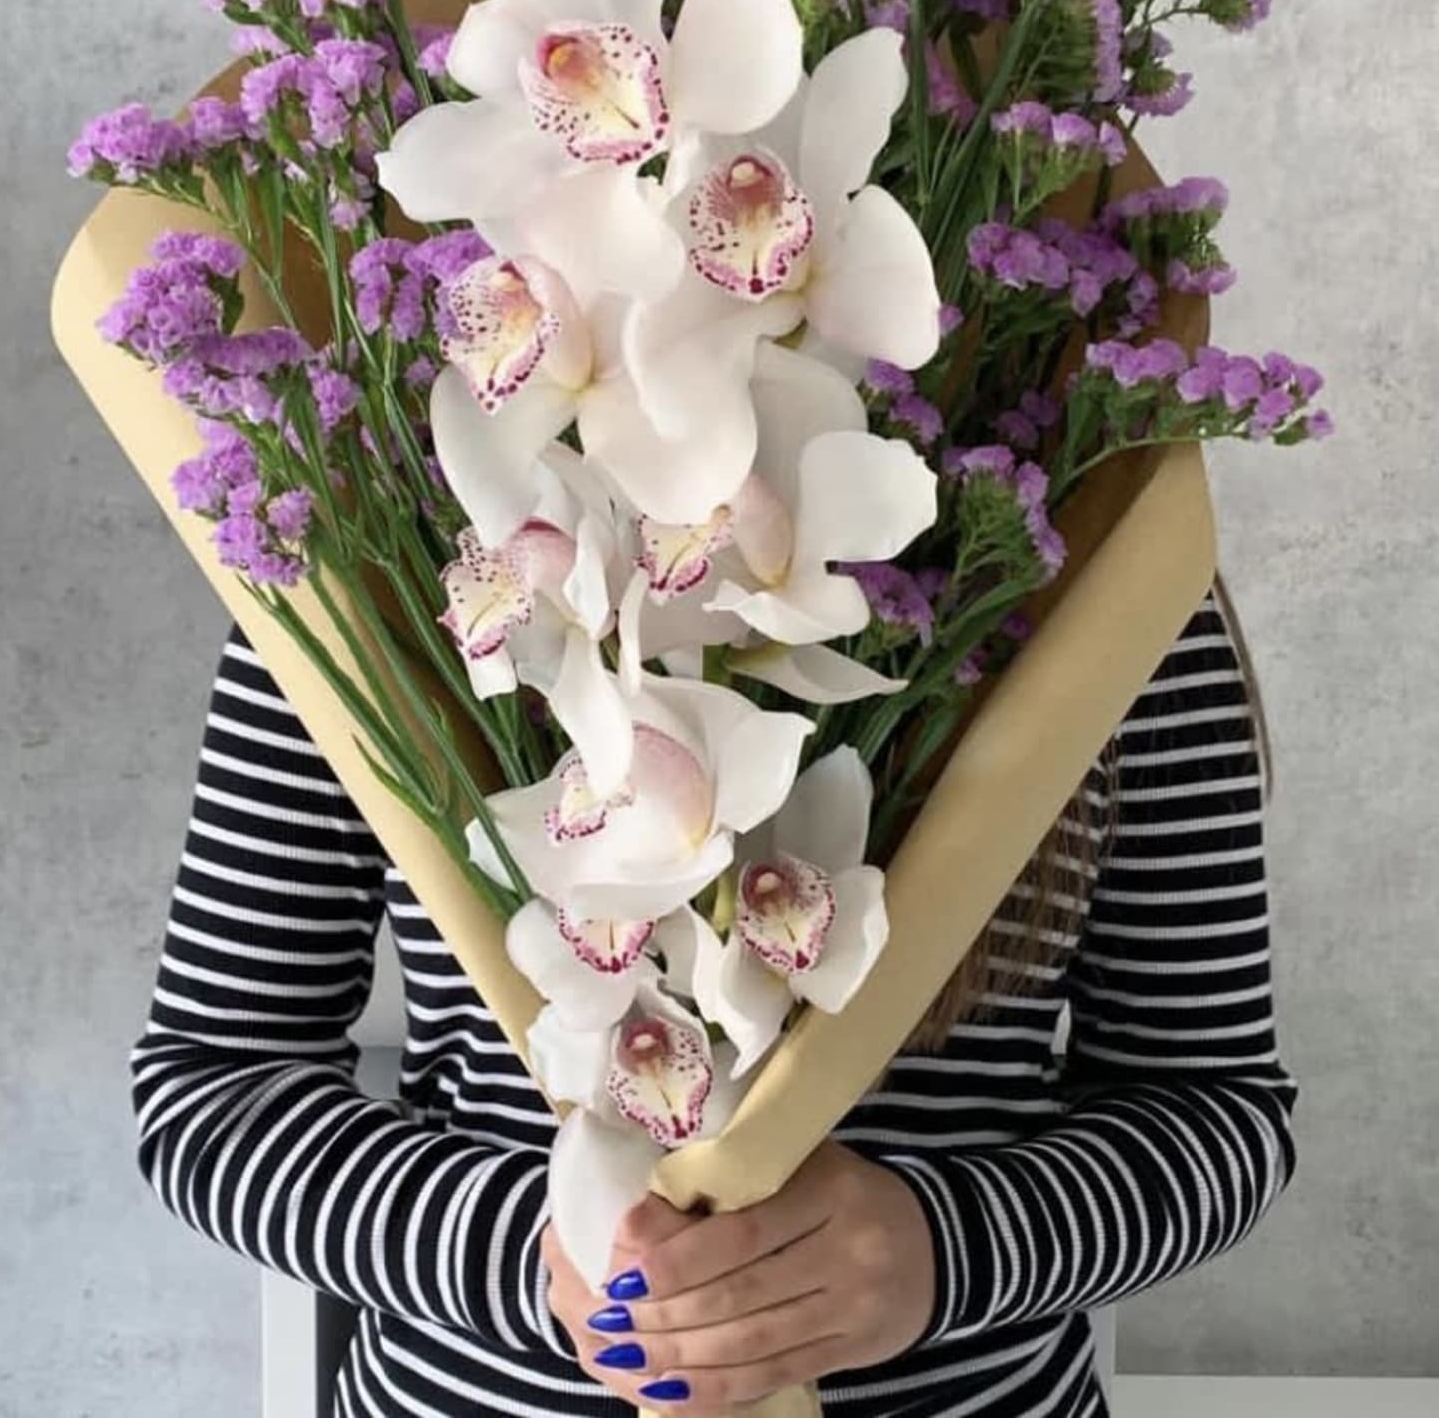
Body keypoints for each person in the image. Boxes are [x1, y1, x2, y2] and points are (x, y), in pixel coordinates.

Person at [129, 575, 1297, 1416]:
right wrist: (531, 1253)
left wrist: (944, 1249)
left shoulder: (1105, 584)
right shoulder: (376, 587)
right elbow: (210, 1087)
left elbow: (1215, 1103)